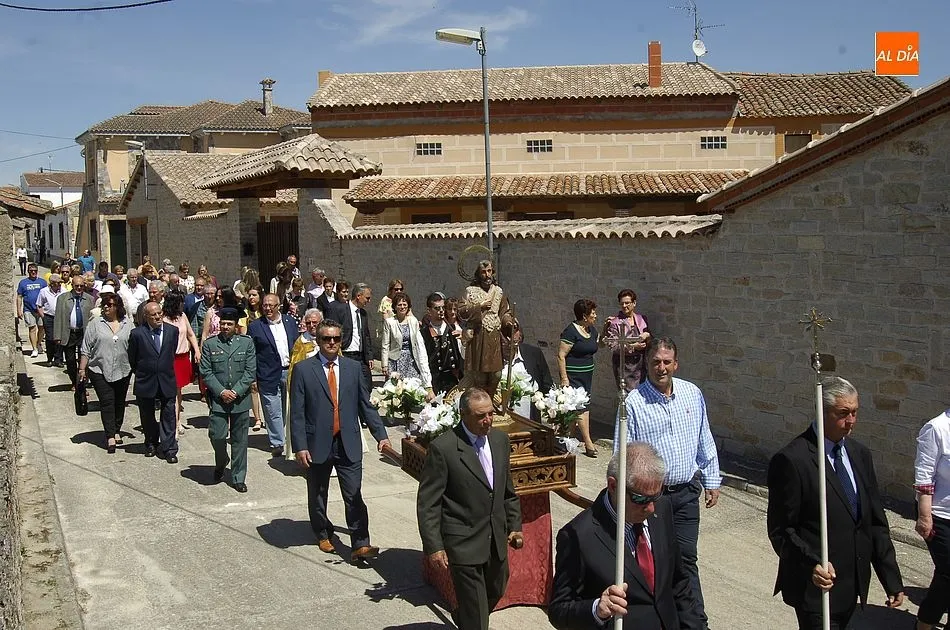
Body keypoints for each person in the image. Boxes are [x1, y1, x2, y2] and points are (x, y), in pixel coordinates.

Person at [766, 376, 904, 629]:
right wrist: (812, 563)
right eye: (842, 413)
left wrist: (891, 579)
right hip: (816, 589)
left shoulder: (860, 455)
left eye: (854, 412)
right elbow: (781, 530)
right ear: (822, 411)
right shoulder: (792, 460)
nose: (851, 421)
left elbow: (874, 522)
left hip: (852, 586)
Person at [616, 336, 721, 628]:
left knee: (686, 559)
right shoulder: (633, 404)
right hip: (652, 500)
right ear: (647, 364)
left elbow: (704, 438)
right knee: (656, 560)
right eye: (655, 362)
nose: (661, 368)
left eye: (666, 362)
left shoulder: (692, 393)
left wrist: (712, 479)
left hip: (687, 493)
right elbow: (621, 453)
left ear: (676, 363)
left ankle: (695, 622)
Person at [548, 441, 702, 630]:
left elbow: (678, 583)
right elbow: (559, 611)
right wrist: (597, 609)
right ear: (613, 485)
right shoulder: (578, 536)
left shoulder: (662, 509)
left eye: (656, 495)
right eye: (641, 499)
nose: (651, 507)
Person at [416, 387, 523, 630]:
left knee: (496, 588)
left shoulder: (499, 441)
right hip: (463, 541)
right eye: (480, 416)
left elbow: (507, 491)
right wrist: (434, 546)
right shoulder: (444, 448)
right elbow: (428, 504)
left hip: (495, 538)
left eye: (491, 414)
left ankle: (464, 616)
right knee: (477, 615)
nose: (488, 420)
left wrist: (515, 526)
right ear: (463, 414)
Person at [289, 319, 391, 562]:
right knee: (318, 492)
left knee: (354, 493)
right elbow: (297, 412)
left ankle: (360, 543)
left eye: (336, 338)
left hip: (348, 441)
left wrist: (382, 436)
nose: (332, 343)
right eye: (326, 338)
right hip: (317, 444)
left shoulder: (353, 369)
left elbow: (366, 406)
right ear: (319, 340)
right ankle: (322, 532)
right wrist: (300, 446)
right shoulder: (304, 370)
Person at [199, 306, 256, 493]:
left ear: (235, 325)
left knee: (240, 440)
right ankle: (221, 461)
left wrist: (236, 391)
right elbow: (206, 372)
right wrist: (222, 391)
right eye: (222, 323)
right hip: (218, 399)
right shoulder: (210, 344)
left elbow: (250, 371)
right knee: (217, 435)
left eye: (229, 324)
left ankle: (239, 477)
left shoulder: (246, 343)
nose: (225, 327)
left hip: (240, 399)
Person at [78, 292, 133, 454]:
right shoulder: (96, 323)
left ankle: (116, 429)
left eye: (109, 305)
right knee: (107, 401)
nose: (106, 307)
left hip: (123, 369)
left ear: (117, 307)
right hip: (99, 369)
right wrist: (82, 369)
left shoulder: (127, 323)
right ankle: (110, 435)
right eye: (104, 305)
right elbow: (86, 348)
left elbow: (135, 344)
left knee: (119, 401)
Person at [248, 293, 299, 457]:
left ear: (279, 306)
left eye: (271, 305)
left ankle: (282, 434)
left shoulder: (289, 322)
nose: (268, 308)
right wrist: (253, 377)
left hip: (289, 371)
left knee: (285, 408)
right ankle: (277, 442)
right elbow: (251, 353)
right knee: (272, 409)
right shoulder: (256, 326)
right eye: (265, 305)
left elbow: (297, 345)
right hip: (267, 373)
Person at [128, 302, 180, 462]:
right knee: (147, 415)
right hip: (146, 380)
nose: (158, 317)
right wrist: (144, 371)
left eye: (159, 313)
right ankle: (151, 442)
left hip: (167, 379)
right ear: (146, 317)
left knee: (169, 414)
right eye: (153, 315)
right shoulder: (137, 334)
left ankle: (169, 448)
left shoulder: (172, 331)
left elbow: (172, 352)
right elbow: (133, 358)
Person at [915, 407, 950, 630]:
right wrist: (924, 517)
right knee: (948, 573)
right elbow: (924, 476)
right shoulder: (936, 428)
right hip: (939, 513)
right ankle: (925, 623)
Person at [457, 261, 512, 400]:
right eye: (483, 272)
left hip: (493, 337)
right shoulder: (470, 291)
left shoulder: (498, 291)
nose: (487, 275)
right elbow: (461, 311)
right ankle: (481, 401)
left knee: (497, 374)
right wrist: (479, 306)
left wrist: (509, 322)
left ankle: (491, 398)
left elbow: (504, 311)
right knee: (480, 376)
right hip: (478, 336)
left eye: (489, 271)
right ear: (478, 274)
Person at [557, 298, 600, 457]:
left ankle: (567, 440)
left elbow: (598, 344)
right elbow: (561, 355)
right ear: (584, 315)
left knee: (577, 408)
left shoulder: (591, 330)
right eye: (592, 313)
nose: (595, 316)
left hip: (587, 375)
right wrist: (564, 378)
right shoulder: (571, 331)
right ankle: (588, 443)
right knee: (581, 407)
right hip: (573, 376)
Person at [381, 292, 434, 398]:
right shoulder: (390, 322)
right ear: (395, 307)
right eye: (399, 304)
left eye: (405, 304)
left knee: (411, 388)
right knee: (397, 390)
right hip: (396, 359)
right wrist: (384, 364)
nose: (402, 307)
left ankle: (408, 411)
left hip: (411, 359)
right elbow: (385, 344)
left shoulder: (413, 321)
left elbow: (417, 342)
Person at [163, 291, 201, 435]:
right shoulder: (164, 318)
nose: (183, 305)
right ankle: (172, 423)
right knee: (172, 392)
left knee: (178, 391)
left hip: (183, 357)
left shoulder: (183, 316)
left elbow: (190, 334)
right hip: (170, 359)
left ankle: (177, 421)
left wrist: (197, 351)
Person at [286, 308, 323, 456]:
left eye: (315, 322)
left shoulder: (329, 337)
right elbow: (294, 369)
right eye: (308, 323)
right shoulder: (300, 342)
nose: (312, 325)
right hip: (309, 392)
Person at [327, 282, 374, 394]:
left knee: (367, 386)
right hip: (346, 354)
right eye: (367, 298)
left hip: (361, 357)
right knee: (347, 388)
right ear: (358, 296)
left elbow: (366, 335)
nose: (369, 301)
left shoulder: (363, 314)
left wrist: (370, 356)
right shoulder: (341, 309)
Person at [500, 321, 553, 420]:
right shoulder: (491, 359)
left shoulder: (534, 354)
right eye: (506, 332)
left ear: (520, 334)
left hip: (530, 419)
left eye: (514, 330)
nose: (510, 336)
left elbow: (547, 384)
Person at [601, 289, 651, 393]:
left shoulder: (642, 319)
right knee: (628, 396)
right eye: (622, 303)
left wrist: (647, 335)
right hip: (625, 367)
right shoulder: (615, 323)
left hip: (641, 366)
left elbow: (650, 341)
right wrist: (634, 346)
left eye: (627, 303)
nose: (624, 306)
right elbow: (614, 347)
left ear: (634, 303)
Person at [53, 275, 94, 387]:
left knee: (84, 359)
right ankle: (74, 382)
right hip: (69, 333)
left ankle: (82, 384)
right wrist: (57, 335)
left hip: (83, 333)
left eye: (81, 286)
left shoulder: (89, 299)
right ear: (72, 285)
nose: (79, 288)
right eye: (77, 286)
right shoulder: (62, 299)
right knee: (70, 360)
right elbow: (58, 318)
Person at [421, 292, 464, 395]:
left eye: (443, 308)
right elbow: (422, 360)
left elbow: (464, 356)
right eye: (437, 308)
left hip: (454, 380)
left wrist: (465, 340)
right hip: (434, 381)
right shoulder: (423, 333)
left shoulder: (454, 328)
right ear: (429, 311)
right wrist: (428, 387)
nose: (441, 311)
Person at [17, 263, 48, 359]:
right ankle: (34, 348)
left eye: (35, 270)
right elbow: (19, 297)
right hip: (28, 309)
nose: (33, 272)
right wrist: (19, 310)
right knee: (32, 328)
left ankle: (38, 344)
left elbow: (46, 295)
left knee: (42, 327)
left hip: (40, 309)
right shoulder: (23, 283)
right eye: (31, 271)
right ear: (28, 272)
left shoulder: (43, 282)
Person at [36, 273, 66, 366]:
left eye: (60, 283)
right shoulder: (44, 291)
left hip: (60, 317)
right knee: (50, 338)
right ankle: (50, 358)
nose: (59, 285)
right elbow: (39, 305)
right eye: (57, 283)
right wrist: (43, 317)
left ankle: (59, 359)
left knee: (59, 338)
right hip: (48, 317)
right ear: (52, 283)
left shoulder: (64, 291)